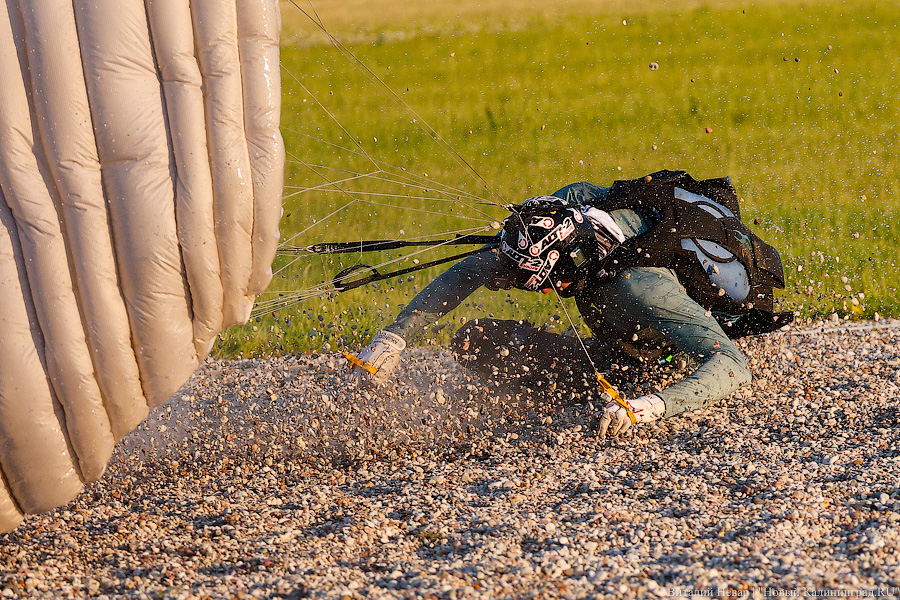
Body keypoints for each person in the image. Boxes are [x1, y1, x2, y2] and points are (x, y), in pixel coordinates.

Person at [350, 170, 790, 437]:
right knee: (477, 339)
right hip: (624, 329)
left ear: (570, 266)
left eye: (541, 284)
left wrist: (648, 407)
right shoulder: (574, 207)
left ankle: (623, 389)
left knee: (604, 380)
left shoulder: (641, 288)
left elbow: (733, 365)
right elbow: (474, 270)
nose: (540, 293)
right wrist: (394, 337)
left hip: (654, 366)